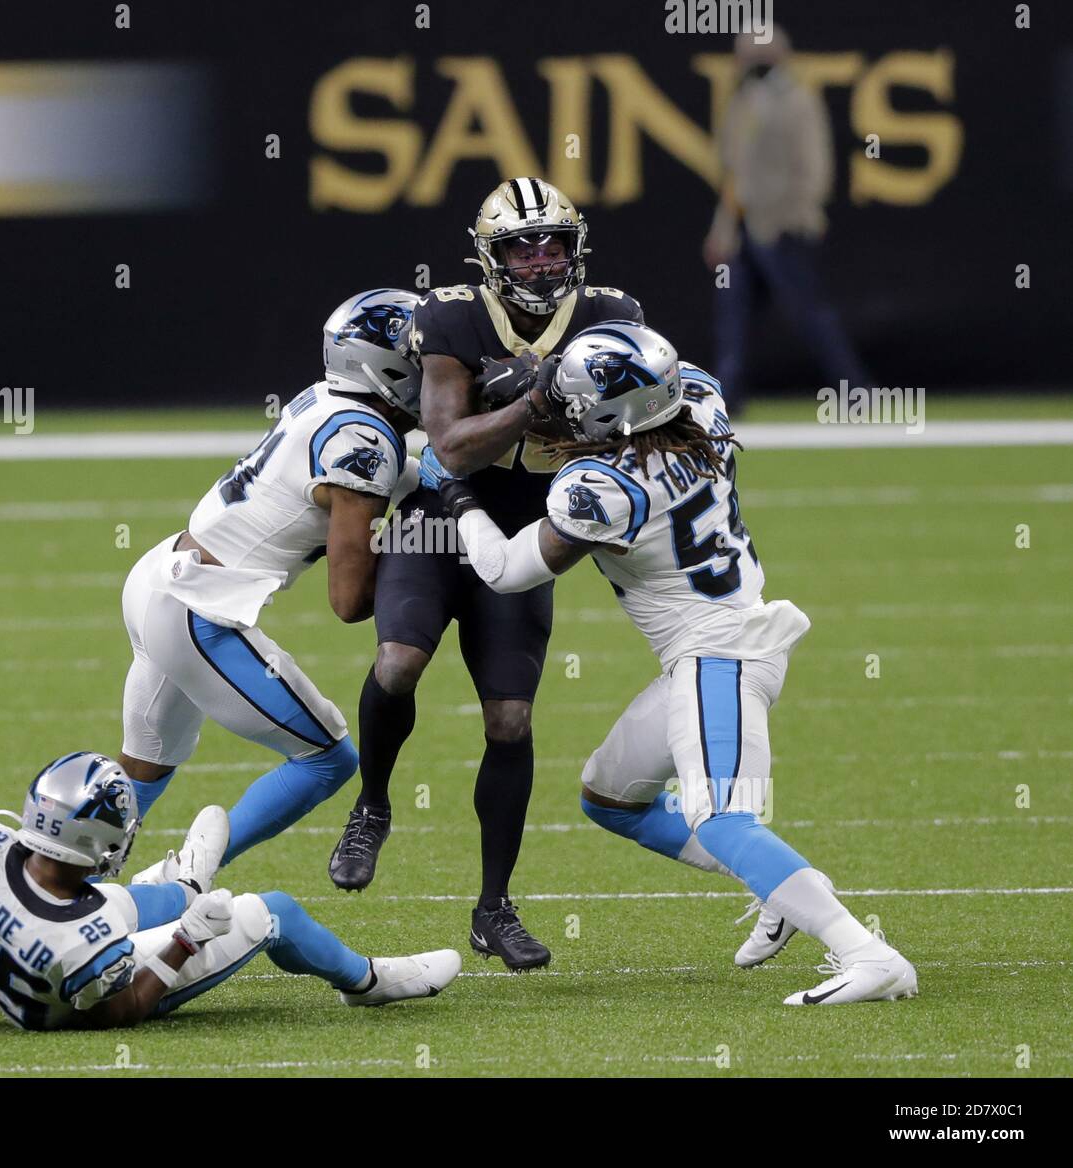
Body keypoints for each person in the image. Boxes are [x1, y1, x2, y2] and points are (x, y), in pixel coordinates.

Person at [435, 321, 918, 1004]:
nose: (555, 406)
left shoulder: (602, 486)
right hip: (719, 640)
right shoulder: (700, 398)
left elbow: (508, 570)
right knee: (611, 797)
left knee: (723, 821)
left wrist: (456, 495)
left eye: (567, 400)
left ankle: (867, 953)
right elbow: (645, 377)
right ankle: (776, 886)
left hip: (718, 657)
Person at [327, 178, 644, 971]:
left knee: (510, 721)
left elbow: (637, 422)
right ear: (490, 258)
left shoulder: (614, 316)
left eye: (552, 245)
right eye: (521, 247)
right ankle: (371, 806)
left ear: (577, 250)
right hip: (443, 514)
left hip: (527, 526)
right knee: (397, 661)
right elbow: (449, 447)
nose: (540, 262)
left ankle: (493, 907)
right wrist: (533, 400)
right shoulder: (452, 315)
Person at [116, 290, 423, 876]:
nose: (436, 370)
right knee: (327, 760)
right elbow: (349, 600)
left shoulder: (333, 398)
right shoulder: (363, 442)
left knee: (142, 771)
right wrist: (420, 562)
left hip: (160, 575)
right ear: (386, 368)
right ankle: (179, 879)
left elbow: (383, 466)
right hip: (197, 611)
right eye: (423, 359)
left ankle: (50, 891)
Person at [0, 752, 461, 1028]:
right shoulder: (86, 936)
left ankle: (183, 883)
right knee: (268, 912)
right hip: (72, 1004)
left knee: (121, 903)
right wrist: (184, 941)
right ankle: (367, 982)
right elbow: (121, 1011)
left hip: (48, 951)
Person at [703, 28, 869, 412]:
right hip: (744, 228)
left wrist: (786, 219)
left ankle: (855, 389)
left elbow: (815, 171)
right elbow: (735, 175)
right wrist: (722, 229)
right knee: (733, 318)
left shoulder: (798, 102)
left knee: (810, 314)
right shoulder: (742, 101)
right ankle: (726, 399)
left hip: (781, 227)